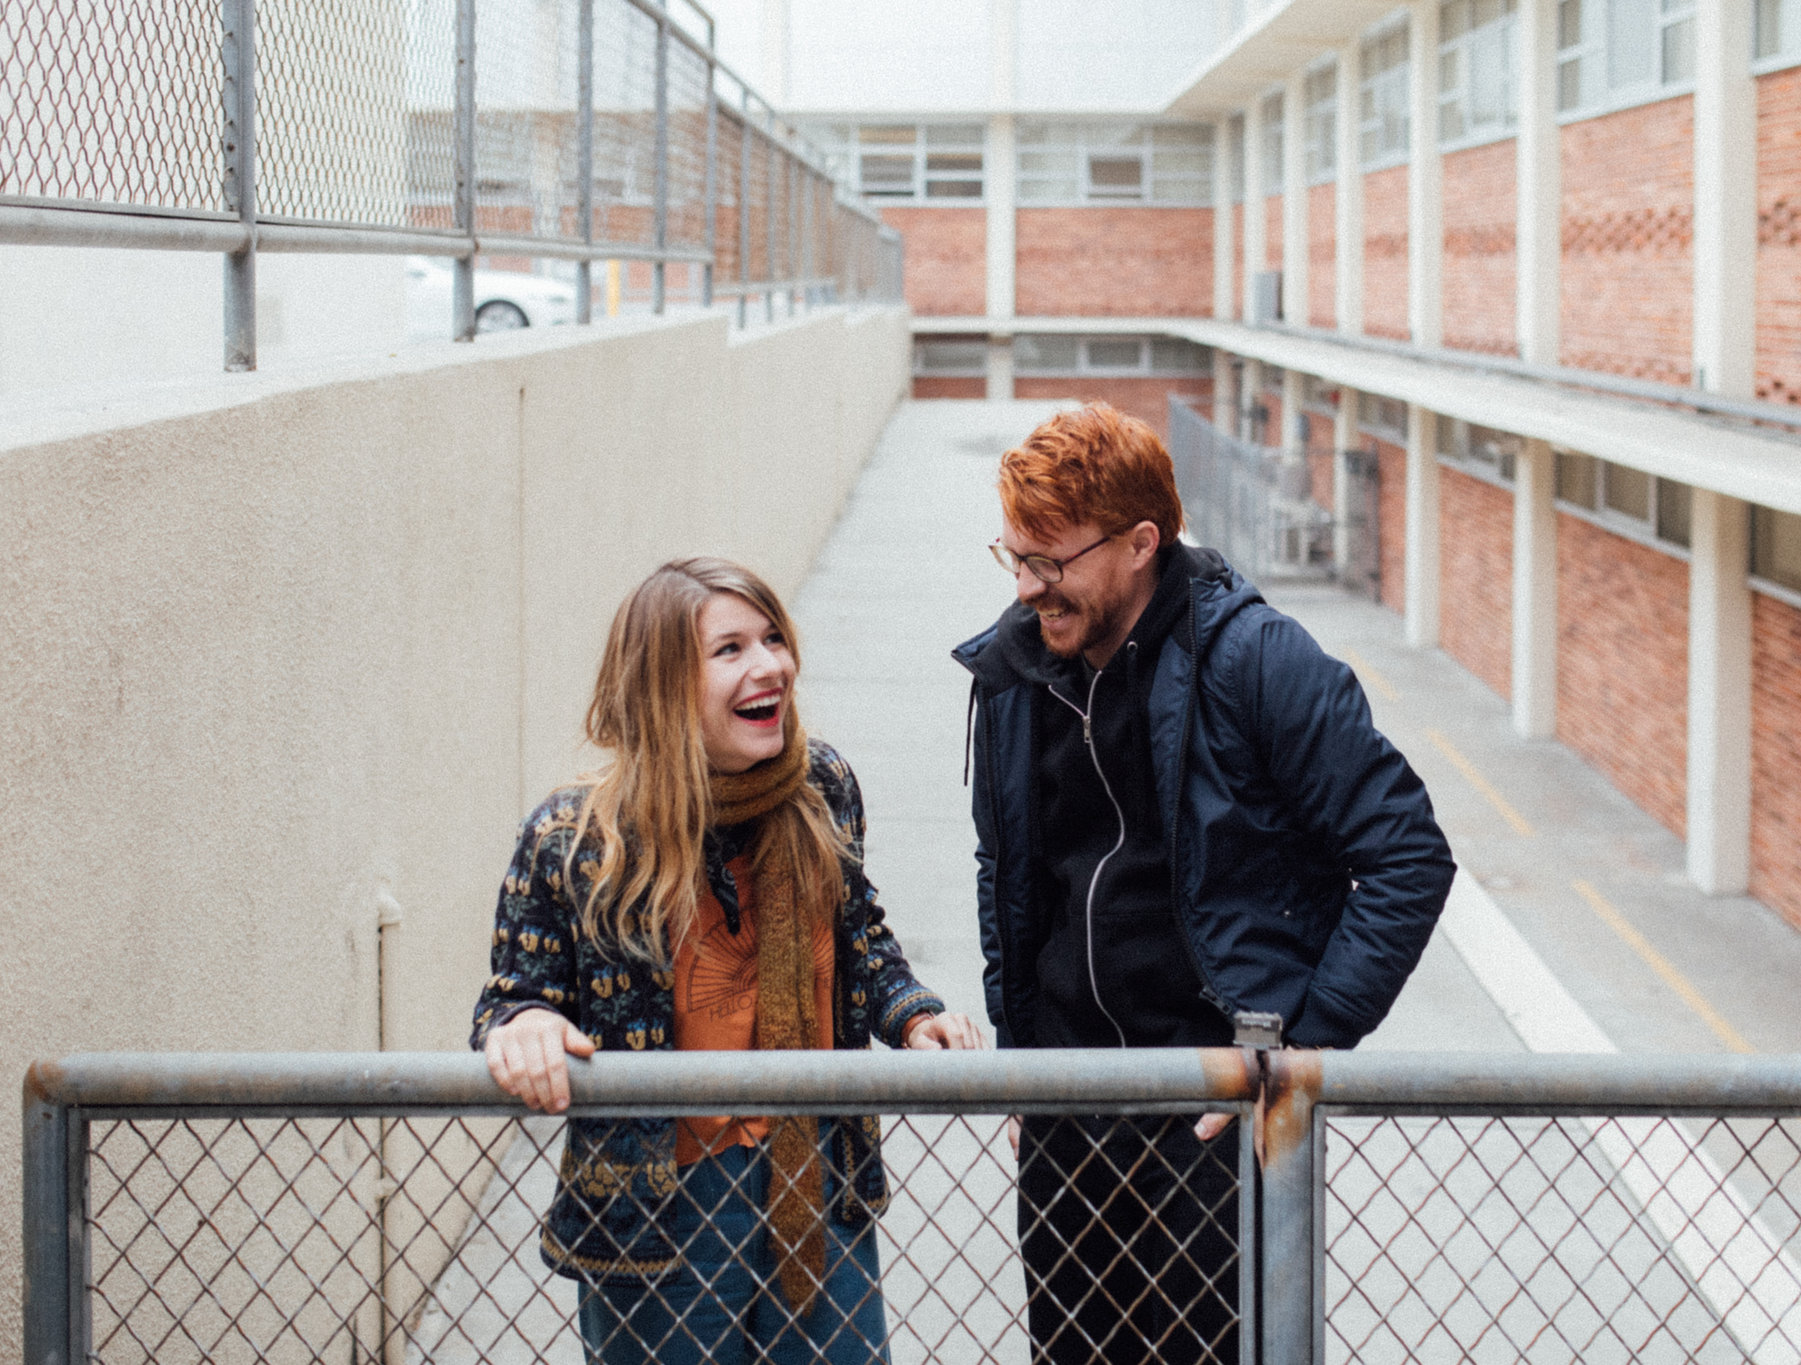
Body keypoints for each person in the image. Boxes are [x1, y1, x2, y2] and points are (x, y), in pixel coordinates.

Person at [952, 403, 1456, 1364]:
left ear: (1143, 542)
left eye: (1051, 563)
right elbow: (1006, 873)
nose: (1026, 588)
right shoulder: (1019, 670)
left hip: (1210, 1115)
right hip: (1070, 1109)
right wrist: (1020, 1054)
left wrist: (1301, 1045)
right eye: (1014, 557)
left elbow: (1406, 854)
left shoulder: (1259, 660)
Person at [475, 556, 983, 1365]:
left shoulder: (819, 787)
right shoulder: (576, 841)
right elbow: (513, 997)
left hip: (813, 1180)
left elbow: (859, 939)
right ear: (662, 683)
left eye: (774, 638)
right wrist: (527, 1024)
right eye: (732, 648)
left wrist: (914, 1014)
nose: (771, 665)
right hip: (661, 1217)